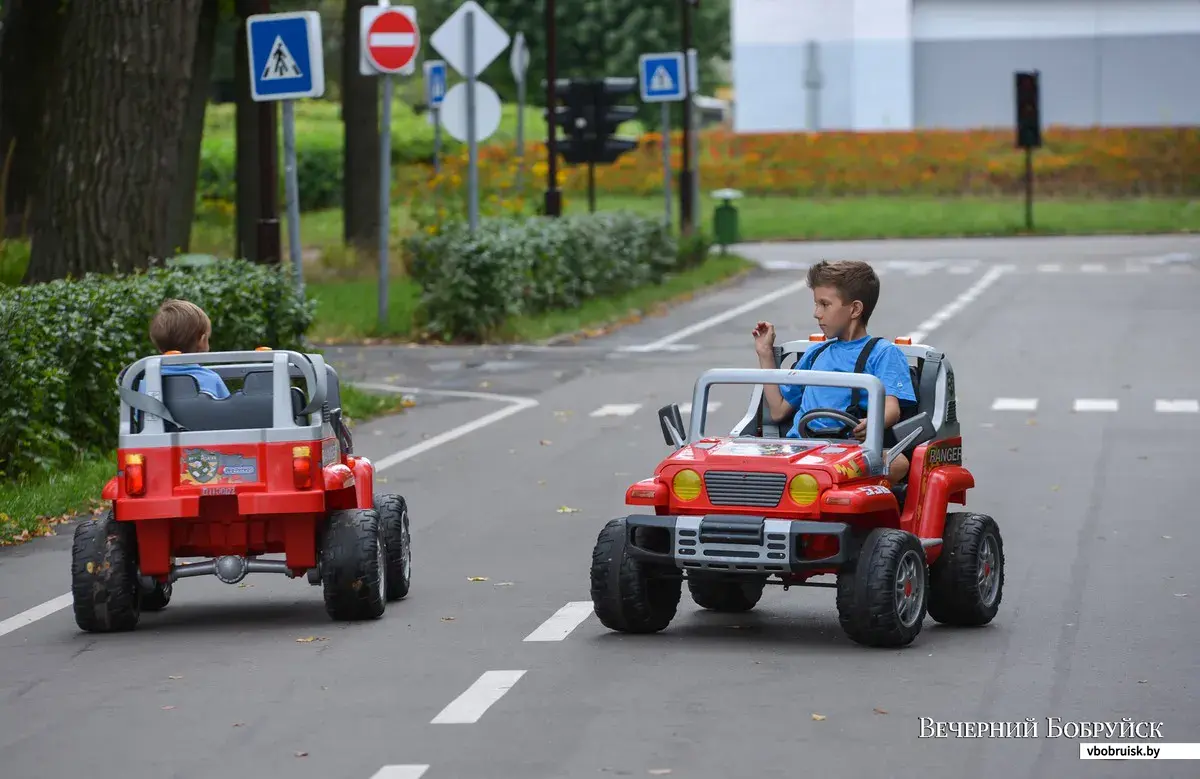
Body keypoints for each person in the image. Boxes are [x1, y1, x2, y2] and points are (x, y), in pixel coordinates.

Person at [752, 260, 916, 484]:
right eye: (816, 304)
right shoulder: (816, 353)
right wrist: (765, 353)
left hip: (849, 452)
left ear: (855, 309)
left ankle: (865, 504)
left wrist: (873, 422)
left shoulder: (883, 353)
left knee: (898, 462)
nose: (816, 313)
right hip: (801, 448)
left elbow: (892, 409)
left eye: (824, 304)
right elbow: (779, 410)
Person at [144, 298, 230, 399]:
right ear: (202, 341)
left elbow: (139, 413)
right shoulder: (211, 379)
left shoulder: (148, 380)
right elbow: (229, 413)